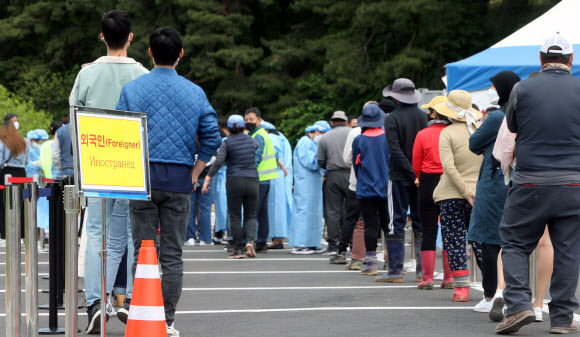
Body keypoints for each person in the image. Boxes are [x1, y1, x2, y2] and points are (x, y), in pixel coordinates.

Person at [117, 27, 220, 336]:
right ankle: (168, 320)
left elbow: (121, 135)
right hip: (178, 181)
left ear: (149, 53)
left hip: (141, 180)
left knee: (143, 250)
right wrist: (195, 171)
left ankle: (142, 313)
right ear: (181, 54)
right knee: (172, 253)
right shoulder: (195, 92)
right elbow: (212, 137)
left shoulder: (133, 89)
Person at [68, 10, 149, 333]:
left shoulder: (86, 74)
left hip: (96, 164)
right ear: (130, 37)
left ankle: (93, 302)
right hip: (132, 165)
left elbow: (74, 121)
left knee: (96, 234)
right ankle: (126, 297)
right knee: (130, 233)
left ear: (102, 36)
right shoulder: (143, 73)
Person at [495, 33, 580, 335]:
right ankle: (561, 319)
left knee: (516, 242)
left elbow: (513, 126)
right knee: (568, 249)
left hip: (530, 181)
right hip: (573, 183)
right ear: (571, 60)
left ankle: (518, 306)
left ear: (541, 59)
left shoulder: (522, 88)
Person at [468, 71, 520, 317]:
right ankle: (513, 292)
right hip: (520, 182)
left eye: (492, 86)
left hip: (494, 182)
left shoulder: (497, 116)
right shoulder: (524, 111)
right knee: (516, 241)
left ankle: (490, 295)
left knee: (491, 239)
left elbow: (473, 143)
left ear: (500, 89)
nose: (491, 90)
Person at [432, 90, 483, 302]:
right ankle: (493, 286)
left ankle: (461, 289)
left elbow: (449, 168)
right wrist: (472, 192)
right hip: (479, 194)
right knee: (482, 240)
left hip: (451, 194)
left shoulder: (447, 132)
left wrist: (463, 191)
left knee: (454, 240)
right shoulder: (481, 130)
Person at [382, 78, 427, 282]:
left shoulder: (392, 119)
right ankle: (422, 271)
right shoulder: (425, 117)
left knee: (396, 222)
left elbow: (395, 151)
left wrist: (410, 172)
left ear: (396, 97)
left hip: (400, 175)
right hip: (423, 176)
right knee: (421, 222)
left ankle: (395, 270)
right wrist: (417, 174)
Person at [202, 115, 259, 258]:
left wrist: (208, 178)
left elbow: (219, 161)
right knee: (250, 214)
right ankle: (251, 241)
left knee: (235, 216)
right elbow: (256, 146)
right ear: (243, 127)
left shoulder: (226, 143)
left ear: (228, 128)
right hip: (252, 180)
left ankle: (237, 248)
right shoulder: (251, 140)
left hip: (235, 180)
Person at [412, 96, 453, 290]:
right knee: (449, 230)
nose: (427, 113)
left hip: (428, 181)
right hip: (450, 181)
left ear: (434, 113)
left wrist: (420, 177)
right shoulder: (452, 131)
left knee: (428, 229)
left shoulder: (422, 134)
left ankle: (428, 278)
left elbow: (416, 163)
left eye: (429, 110)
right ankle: (449, 278)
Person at [351, 105, 389, 277]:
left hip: (366, 187)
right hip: (386, 187)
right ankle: (392, 261)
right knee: (389, 225)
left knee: (370, 225)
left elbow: (356, 165)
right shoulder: (387, 138)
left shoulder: (359, 140)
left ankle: (371, 263)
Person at [244, 108, 282, 252]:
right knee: (262, 213)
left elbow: (256, 158)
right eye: (246, 120)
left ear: (259, 120)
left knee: (252, 212)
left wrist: (246, 172)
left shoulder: (258, 135)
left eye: (251, 119)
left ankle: (248, 242)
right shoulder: (261, 134)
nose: (248, 122)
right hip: (264, 179)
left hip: (258, 178)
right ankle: (261, 243)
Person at [317, 111, 351, 255]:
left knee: (333, 211)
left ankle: (333, 244)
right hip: (351, 174)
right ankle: (352, 242)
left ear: (331, 122)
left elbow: (320, 161)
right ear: (345, 121)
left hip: (333, 175)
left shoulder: (325, 137)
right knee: (352, 210)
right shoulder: (352, 133)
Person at [289, 125, 324, 254]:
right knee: (303, 212)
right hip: (305, 185)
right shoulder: (305, 143)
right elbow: (311, 163)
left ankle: (312, 243)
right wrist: (324, 160)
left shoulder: (311, 143)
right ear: (316, 132)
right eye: (323, 134)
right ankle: (299, 245)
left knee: (314, 213)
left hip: (312, 184)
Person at [262, 121, 293, 249]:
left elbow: (272, 154)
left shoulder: (271, 138)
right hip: (281, 177)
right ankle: (277, 238)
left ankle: (276, 239)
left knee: (273, 208)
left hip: (273, 176)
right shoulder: (281, 137)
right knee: (279, 207)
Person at [0, 120, 29, 246]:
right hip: (22, 174)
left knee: (4, 204)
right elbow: (27, 161)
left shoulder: (3, 142)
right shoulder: (23, 142)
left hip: (7, 173)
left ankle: (4, 235)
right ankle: (21, 235)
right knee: (21, 204)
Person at [185, 138, 216, 246]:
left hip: (192, 180)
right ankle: (205, 238)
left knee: (190, 209)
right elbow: (214, 161)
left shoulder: (190, 143)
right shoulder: (209, 144)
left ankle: (190, 237)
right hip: (205, 180)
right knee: (205, 210)